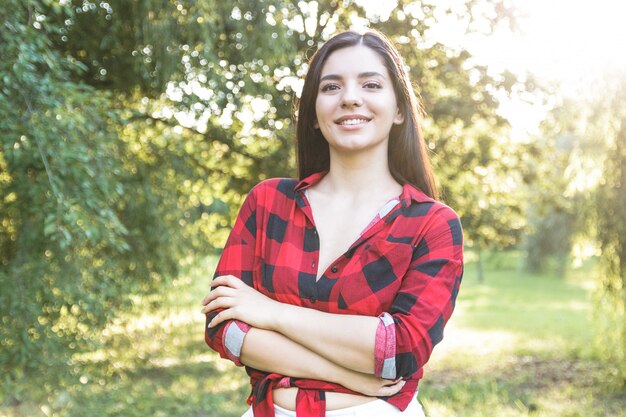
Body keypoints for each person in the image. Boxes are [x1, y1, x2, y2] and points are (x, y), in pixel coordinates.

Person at [201, 29, 464, 417]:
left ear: (399, 110)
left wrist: (271, 313)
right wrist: (350, 373)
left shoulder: (432, 224)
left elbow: (399, 351)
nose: (350, 97)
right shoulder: (268, 202)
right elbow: (225, 328)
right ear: (312, 114)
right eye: (331, 87)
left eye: (371, 84)